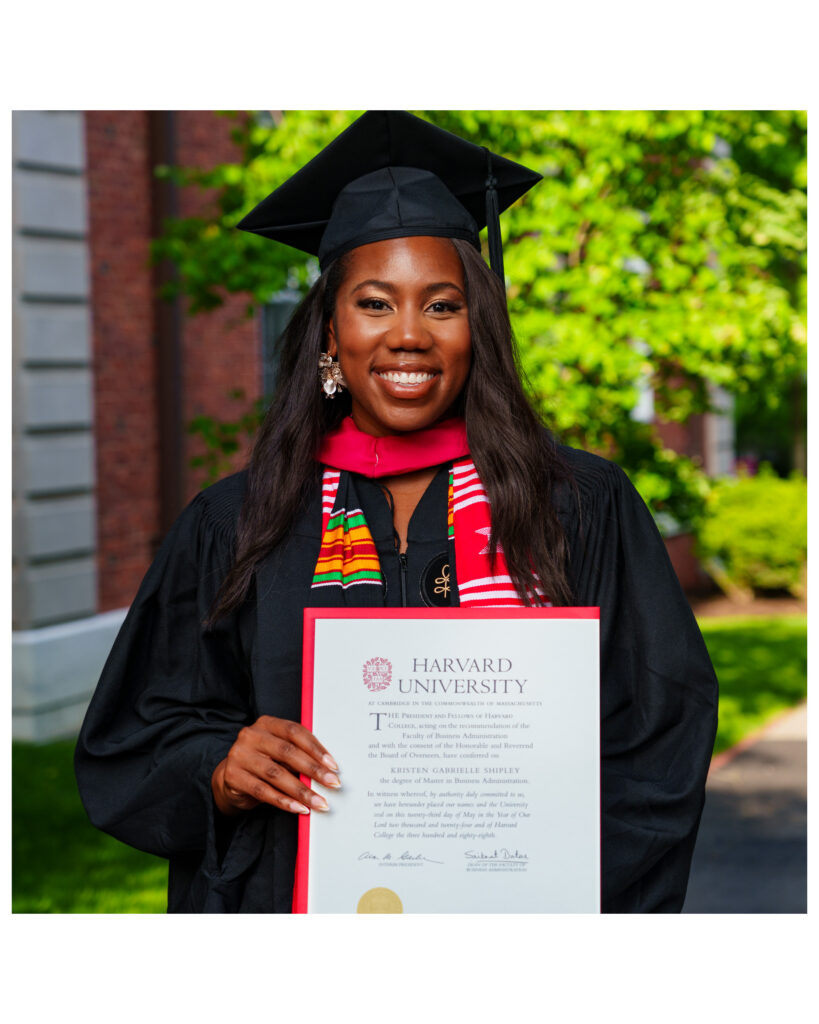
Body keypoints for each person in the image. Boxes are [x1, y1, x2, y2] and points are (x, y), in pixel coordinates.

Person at [75, 111, 718, 913]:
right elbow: (137, 734)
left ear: (476, 327)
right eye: (375, 304)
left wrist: (559, 910)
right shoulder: (238, 521)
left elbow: (657, 735)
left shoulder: (578, 505)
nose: (408, 335)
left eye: (441, 306)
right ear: (330, 335)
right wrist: (218, 764)